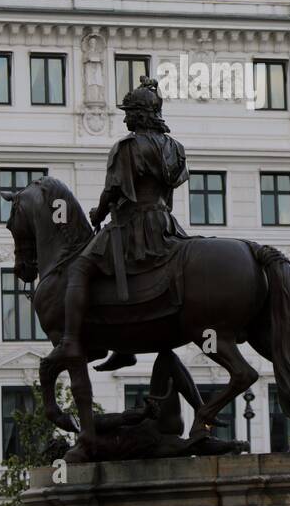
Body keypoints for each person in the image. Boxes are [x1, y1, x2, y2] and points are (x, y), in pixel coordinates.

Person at [55, 76, 189, 362]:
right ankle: (124, 346)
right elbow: (172, 187)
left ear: (138, 115)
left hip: (133, 224)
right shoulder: (176, 147)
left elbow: (113, 188)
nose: (125, 118)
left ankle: (70, 340)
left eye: (128, 112)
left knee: (79, 268)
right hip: (166, 223)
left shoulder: (128, 146)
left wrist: (98, 213)